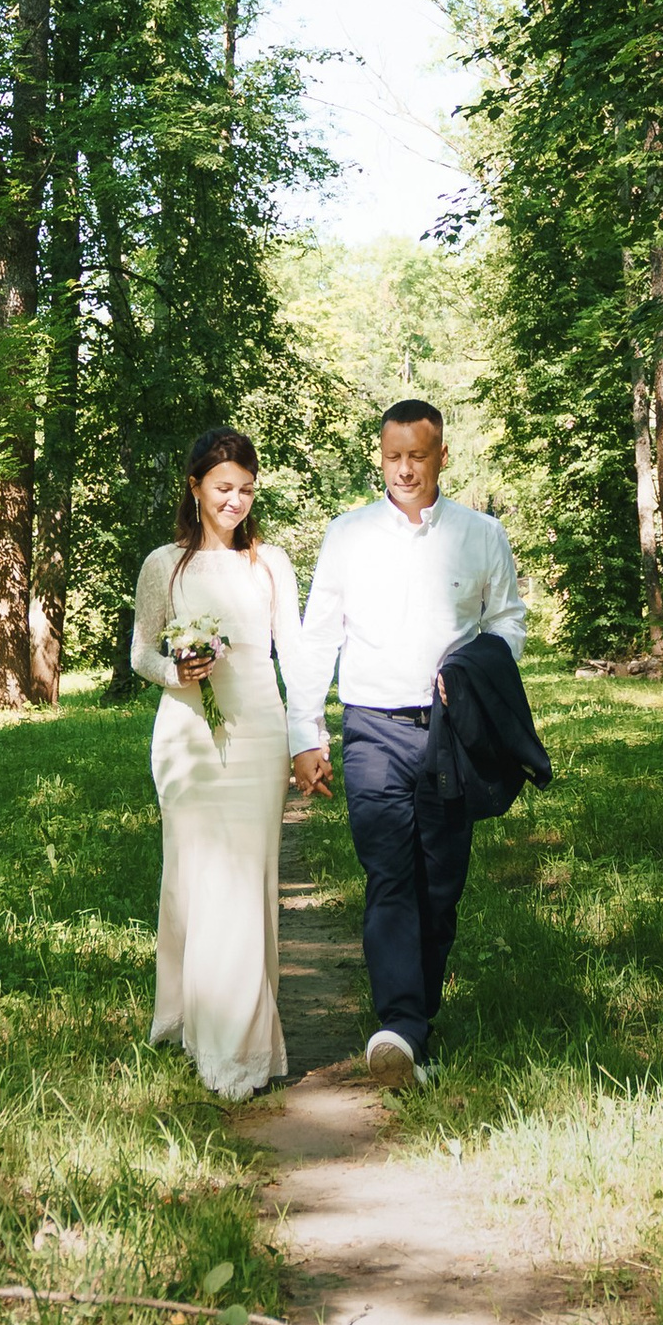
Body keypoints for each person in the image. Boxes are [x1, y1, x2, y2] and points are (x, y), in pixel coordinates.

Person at [285, 400, 523, 1088]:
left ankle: (414, 1028)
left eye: (419, 455)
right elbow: (318, 636)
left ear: (443, 455)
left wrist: (472, 673)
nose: (406, 469)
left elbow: (506, 620)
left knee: (440, 884)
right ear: (379, 456)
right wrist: (308, 734)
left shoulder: (481, 534)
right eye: (394, 456)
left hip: (452, 734)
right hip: (370, 727)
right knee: (390, 873)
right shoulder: (348, 535)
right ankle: (398, 1027)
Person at [130, 426, 301, 1101]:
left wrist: (307, 737)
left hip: (258, 731)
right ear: (195, 486)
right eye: (223, 488)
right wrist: (177, 670)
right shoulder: (163, 565)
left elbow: (295, 649)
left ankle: (240, 1045)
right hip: (185, 740)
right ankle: (195, 1023)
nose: (235, 501)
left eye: (247, 491)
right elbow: (141, 653)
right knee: (197, 878)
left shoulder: (273, 564)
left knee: (247, 881)